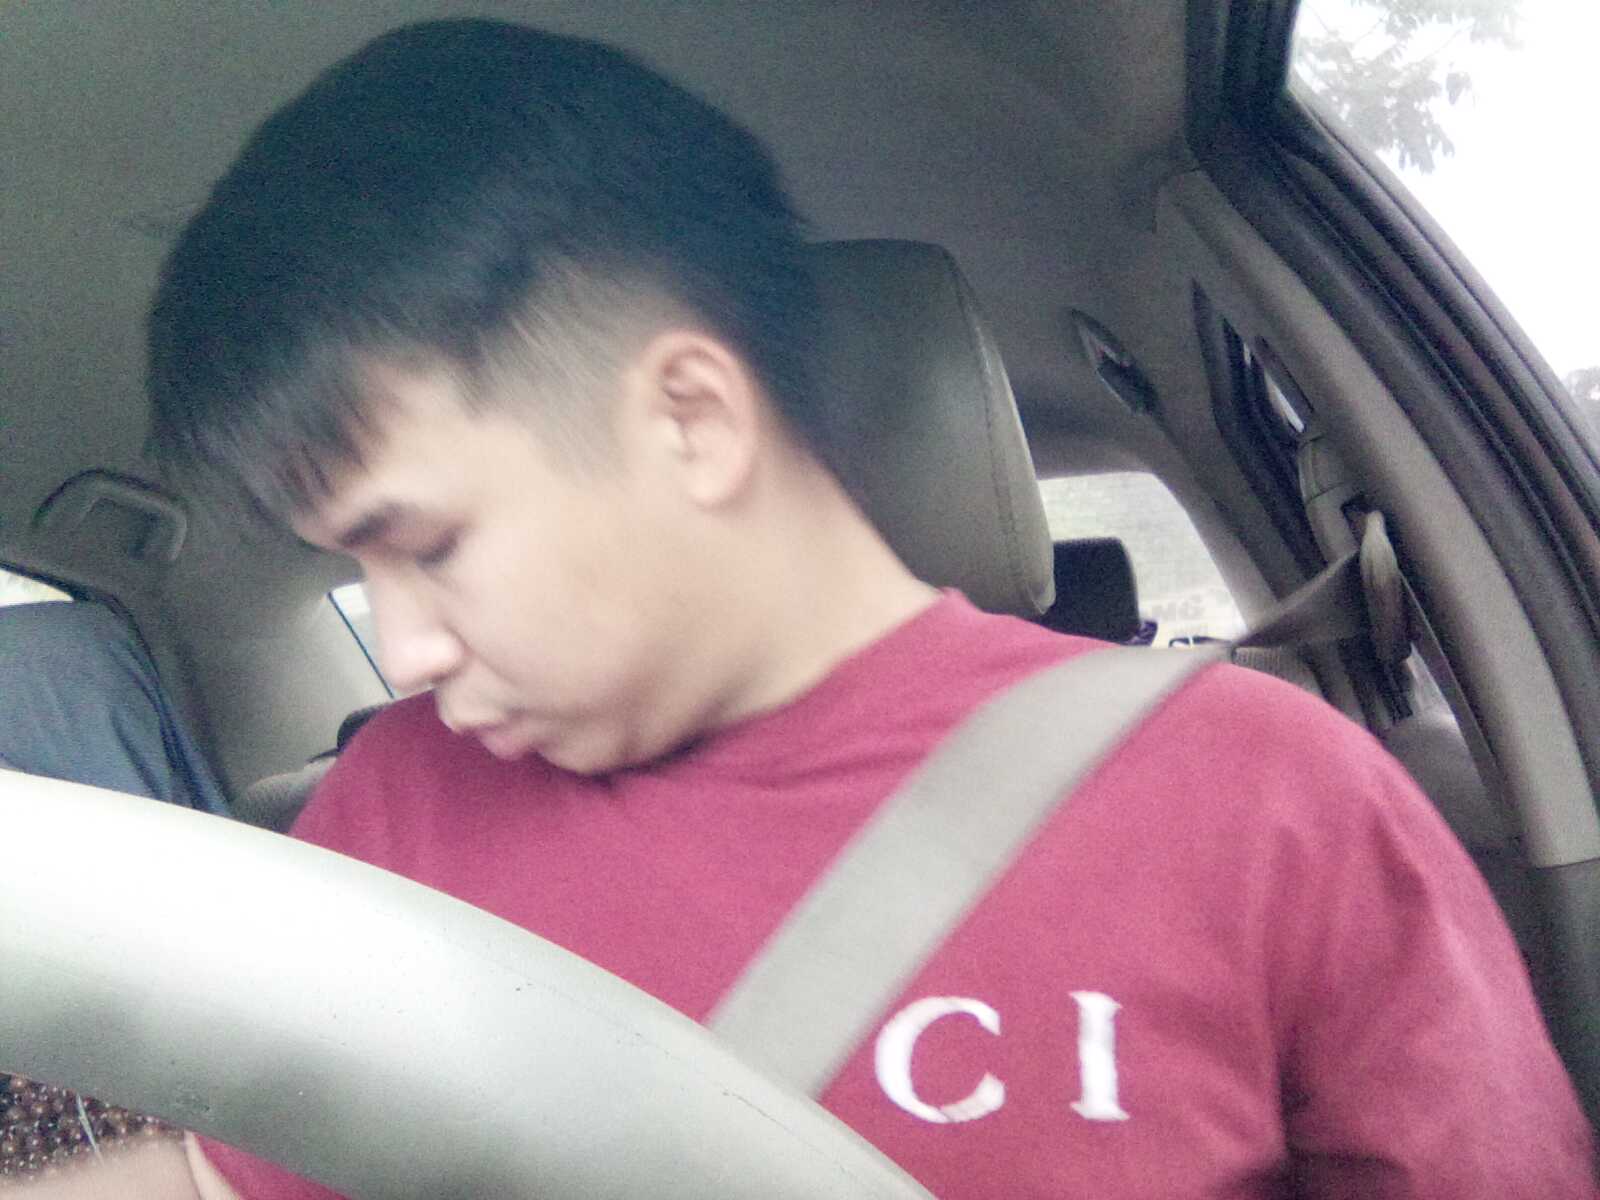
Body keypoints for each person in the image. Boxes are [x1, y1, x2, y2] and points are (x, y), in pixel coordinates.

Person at [23, 18, 1594, 1198]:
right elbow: (228, 1183)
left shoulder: (1268, 799)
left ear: (690, 420)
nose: (409, 648)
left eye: (424, 543)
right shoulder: (394, 811)